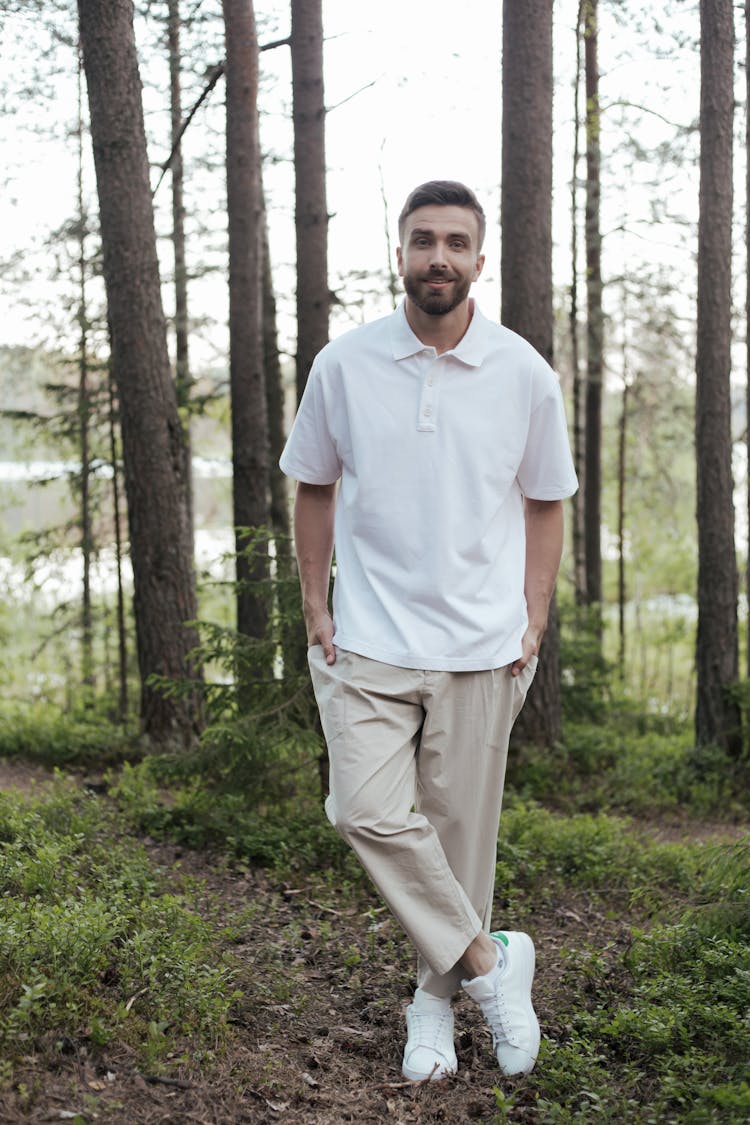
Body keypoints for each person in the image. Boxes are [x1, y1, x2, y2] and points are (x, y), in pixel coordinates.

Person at [280, 180, 578, 1083]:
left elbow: (546, 500)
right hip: (367, 638)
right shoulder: (345, 364)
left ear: (479, 259)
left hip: (482, 649)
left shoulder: (523, 372)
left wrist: (534, 614)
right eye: (422, 240)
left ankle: (433, 1006)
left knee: (457, 844)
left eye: (455, 241)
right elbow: (314, 484)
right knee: (362, 808)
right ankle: (491, 963)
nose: (437, 256)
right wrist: (314, 601)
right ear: (399, 253)